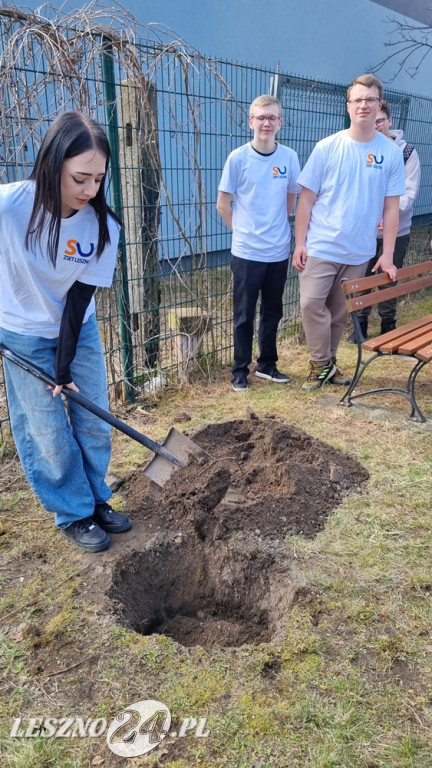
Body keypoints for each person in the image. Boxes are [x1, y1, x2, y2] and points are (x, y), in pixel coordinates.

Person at [0, 111, 132, 553]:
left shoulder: (103, 227)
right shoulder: (9, 207)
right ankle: (73, 512)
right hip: (21, 332)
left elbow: (78, 302)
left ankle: (95, 500)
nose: (91, 191)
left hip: (78, 329)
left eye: (98, 179)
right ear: (53, 163)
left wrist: (63, 368)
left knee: (94, 417)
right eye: (80, 178)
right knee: (48, 432)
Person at [292, 74, 406, 391]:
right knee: (311, 304)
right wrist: (300, 243)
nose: (363, 105)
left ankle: (327, 365)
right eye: (357, 100)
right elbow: (306, 200)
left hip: (359, 251)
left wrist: (386, 255)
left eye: (369, 99)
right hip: (321, 246)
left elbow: (391, 208)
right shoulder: (328, 147)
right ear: (348, 105)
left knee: (340, 313)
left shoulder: (391, 153)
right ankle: (320, 363)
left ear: (379, 104)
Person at [216, 95, 301, 391]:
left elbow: (291, 197)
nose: (266, 123)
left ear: (280, 122)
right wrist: (240, 231)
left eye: (272, 118)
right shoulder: (238, 158)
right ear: (251, 122)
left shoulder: (289, 158)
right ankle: (240, 370)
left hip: (277, 251)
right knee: (243, 314)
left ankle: (267, 364)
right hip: (247, 252)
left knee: (272, 312)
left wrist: (276, 223)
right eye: (261, 117)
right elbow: (223, 204)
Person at [347, 100, 421, 341]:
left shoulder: (406, 152)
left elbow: (408, 193)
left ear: (389, 122)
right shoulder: (360, 148)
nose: (376, 125)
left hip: (396, 230)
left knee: (389, 278)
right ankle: (360, 326)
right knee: (363, 277)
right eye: (373, 121)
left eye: (380, 121)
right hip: (364, 231)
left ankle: (388, 324)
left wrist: (388, 216)